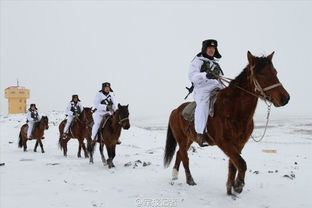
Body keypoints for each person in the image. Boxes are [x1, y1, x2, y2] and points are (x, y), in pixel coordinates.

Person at [188, 39, 225, 146]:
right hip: (202, 89)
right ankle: (200, 134)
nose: (211, 50)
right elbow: (192, 76)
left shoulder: (215, 64)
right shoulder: (197, 61)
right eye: (209, 48)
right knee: (203, 104)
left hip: (217, 87)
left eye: (213, 48)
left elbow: (221, 78)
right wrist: (205, 75)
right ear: (205, 49)